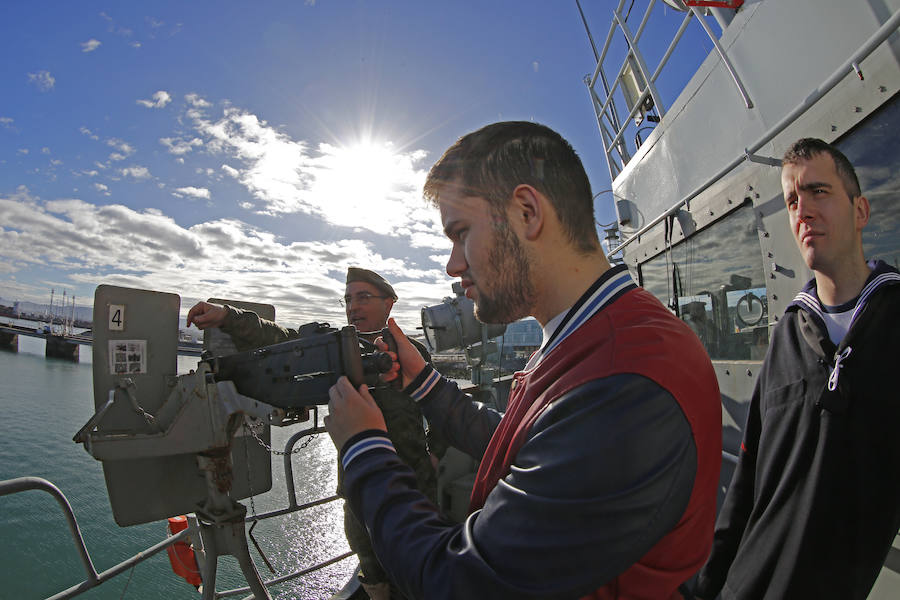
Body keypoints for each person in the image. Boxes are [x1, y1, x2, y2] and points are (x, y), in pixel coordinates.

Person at [324, 121, 722, 599]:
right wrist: (423, 382)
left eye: (460, 232)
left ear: (527, 212)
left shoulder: (627, 380)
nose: (453, 264)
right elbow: (527, 447)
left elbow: (464, 586)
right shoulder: (594, 338)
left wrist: (364, 447)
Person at [694, 138, 900, 599]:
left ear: (861, 210)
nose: (802, 211)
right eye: (791, 200)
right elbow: (746, 487)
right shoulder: (787, 336)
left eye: (818, 192)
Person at [186, 267, 436, 600]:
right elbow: (281, 340)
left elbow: (437, 408)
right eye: (348, 299)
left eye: (364, 297)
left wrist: (437, 454)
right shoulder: (335, 349)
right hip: (358, 488)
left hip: (412, 485)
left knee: (416, 570)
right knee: (373, 570)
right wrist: (228, 316)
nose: (353, 307)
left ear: (389, 304)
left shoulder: (412, 352)